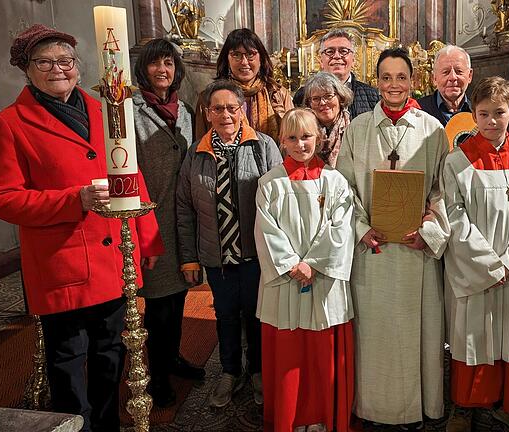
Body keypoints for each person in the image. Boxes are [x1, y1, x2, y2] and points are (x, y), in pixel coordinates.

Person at [0, 24, 164, 431]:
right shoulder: (9, 123)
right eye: (43, 62)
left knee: (111, 355)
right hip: (60, 262)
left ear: (78, 67)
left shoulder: (107, 110)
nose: (57, 69)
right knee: (68, 363)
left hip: (113, 257)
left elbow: (130, 174)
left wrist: (147, 236)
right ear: (25, 70)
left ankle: (106, 426)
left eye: (65, 61)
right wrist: (72, 200)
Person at [336, 48, 449, 430]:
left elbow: (442, 192)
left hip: (415, 251)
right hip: (375, 249)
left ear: (413, 81)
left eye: (402, 77)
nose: (394, 85)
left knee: (416, 334)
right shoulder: (357, 129)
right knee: (374, 336)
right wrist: (361, 228)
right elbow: (344, 190)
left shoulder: (433, 130)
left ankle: (415, 409)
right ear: (377, 81)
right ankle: (372, 408)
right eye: (386, 77)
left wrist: (430, 231)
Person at [442, 77, 509, 432]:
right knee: (471, 337)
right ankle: (464, 408)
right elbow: (453, 217)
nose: (491, 121)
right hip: (476, 269)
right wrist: (489, 264)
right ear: (473, 115)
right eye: (483, 114)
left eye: (498, 113)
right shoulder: (457, 162)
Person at [177, 79, 283, 408]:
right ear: (208, 113)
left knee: (256, 316)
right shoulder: (196, 154)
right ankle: (228, 372)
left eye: (232, 108)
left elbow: (281, 199)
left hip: (256, 254)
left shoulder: (263, 146)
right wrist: (189, 259)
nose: (225, 114)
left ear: (243, 110)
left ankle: (257, 372)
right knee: (224, 316)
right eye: (217, 108)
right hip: (216, 254)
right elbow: (184, 207)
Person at [255, 108, 356, 432]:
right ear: (282, 141)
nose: (301, 144)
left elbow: (342, 228)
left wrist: (312, 264)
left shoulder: (335, 181)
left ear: (319, 137)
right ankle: (291, 417)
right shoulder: (270, 184)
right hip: (286, 281)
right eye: (293, 138)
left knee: (321, 353)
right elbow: (266, 230)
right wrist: (291, 264)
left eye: (307, 136)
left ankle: (325, 416)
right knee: (290, 354)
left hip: (323, 281)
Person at [132, 37, 205, 408]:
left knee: (179, 296)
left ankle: (173, 357)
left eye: (170, 64)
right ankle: (156, 374)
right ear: (143, 68)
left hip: (183, 218)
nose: (164, 70)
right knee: (158, 304)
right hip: (151, 218)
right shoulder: (128, 112)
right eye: (156, 63)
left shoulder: (188, 111)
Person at [194, 28, 293, 141]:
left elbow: (293, 138)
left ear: (261, 58)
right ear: (227, 59)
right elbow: (201, 143)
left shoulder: (278, 94)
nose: (244, 62)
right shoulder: (209, 98)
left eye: (250, 54)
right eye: (236, 55)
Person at [293, 29, 379, 119]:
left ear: (353, 59)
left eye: (343, 51)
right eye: (330, 51)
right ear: (321, 61)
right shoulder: (303, 94)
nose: (337, 56)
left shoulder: (371, 95)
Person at [301, 72, 353, 167]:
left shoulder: (353, 129)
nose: (323, 103)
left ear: (340, 97)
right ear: (309, 103)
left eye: (328, 96)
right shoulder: (301, 130)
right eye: (316, 99)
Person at [416, 44, 473, 127]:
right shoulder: (417, 111)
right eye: (445, 72)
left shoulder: (479, 113)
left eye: (459, 71)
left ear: (469, 76)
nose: (453, 77)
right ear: (434, 78)